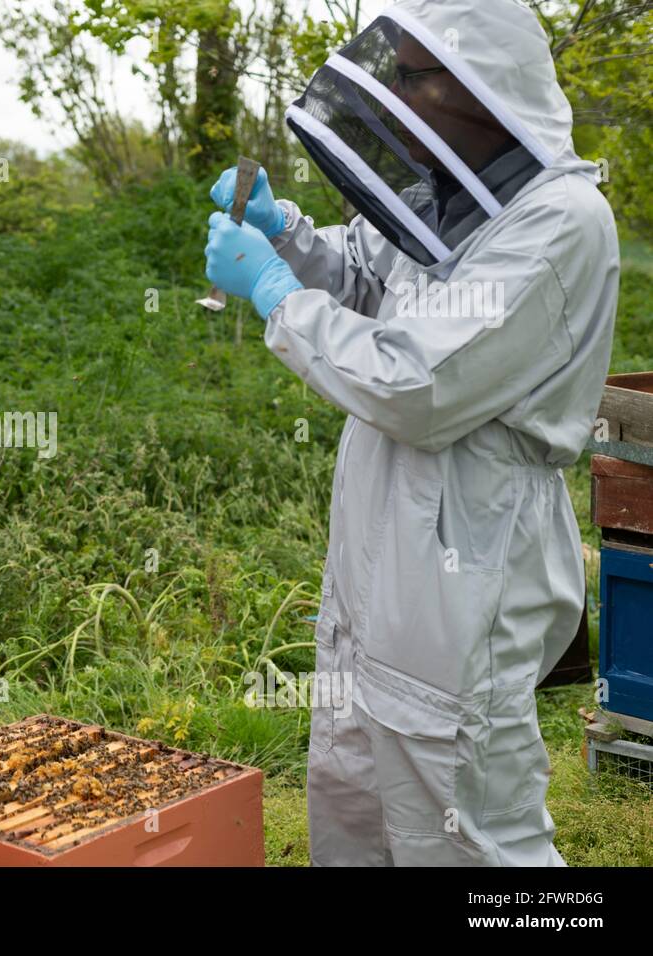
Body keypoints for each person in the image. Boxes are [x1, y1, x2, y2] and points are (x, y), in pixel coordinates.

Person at [204, 0, 618, 865]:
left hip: (471, 541)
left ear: (480, 90)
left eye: (414, 77)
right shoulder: (447, 191)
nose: (395, 97)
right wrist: (288, 236)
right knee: (353, 785)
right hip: (382, 534)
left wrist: (278, 296)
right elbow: (367, 282)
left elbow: (415, 383)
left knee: (467, 823)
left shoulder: (558, 222)